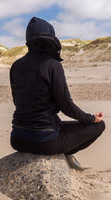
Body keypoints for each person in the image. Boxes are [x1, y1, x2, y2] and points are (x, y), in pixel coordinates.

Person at [9, 17, 105, 171]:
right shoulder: (53, 65)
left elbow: (17, 101)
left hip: (17, 139)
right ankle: (66, 153)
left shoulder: (16, 65)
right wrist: (91, 118)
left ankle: (61, 146)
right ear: (51, 40)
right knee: (99, 126)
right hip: (44, 141)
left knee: (57, 124)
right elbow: (66, 105)